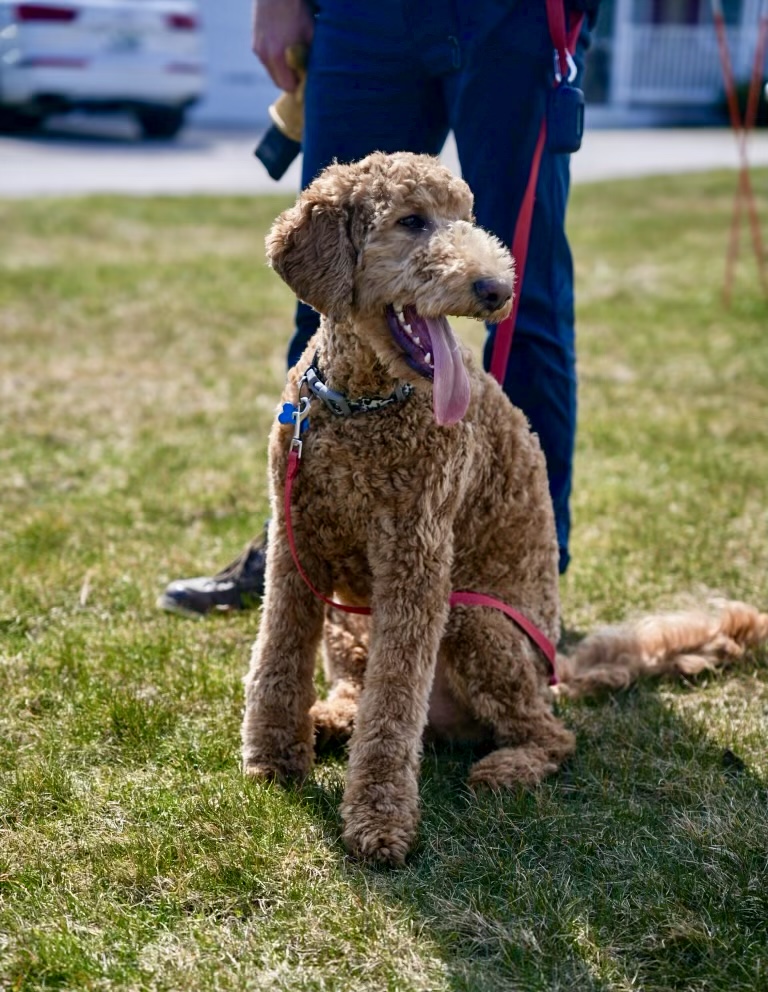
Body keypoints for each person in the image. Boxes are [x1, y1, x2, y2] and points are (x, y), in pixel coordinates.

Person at [158, 0, 599, 617]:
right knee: (329, 278)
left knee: (526, 296)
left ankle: (526, 579)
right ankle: (300, 546)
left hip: (515, 15)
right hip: (365, 14)